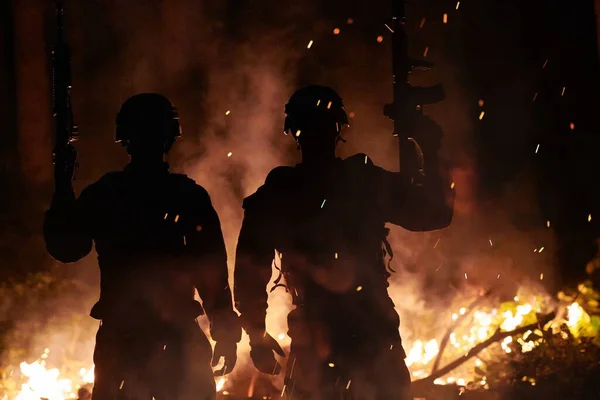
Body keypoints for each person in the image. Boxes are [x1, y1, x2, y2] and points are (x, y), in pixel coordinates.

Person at [234, 85, 454, 399]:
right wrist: (428, 147)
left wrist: (256, 334)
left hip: (319, 334)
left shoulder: (281, 191)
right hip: (371, 331)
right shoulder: (362, 180)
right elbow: (433, 213)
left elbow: (249, 270)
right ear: (339, 129)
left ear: (293, 132)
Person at [44, 93, 240, 400]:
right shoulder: (186, 195)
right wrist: (225, 330)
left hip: (123, 339)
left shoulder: (105, 194)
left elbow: (67, 248)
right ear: (169, 139)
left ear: (124, 140)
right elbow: (211, 271)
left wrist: (63, 189)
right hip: (173, 338)